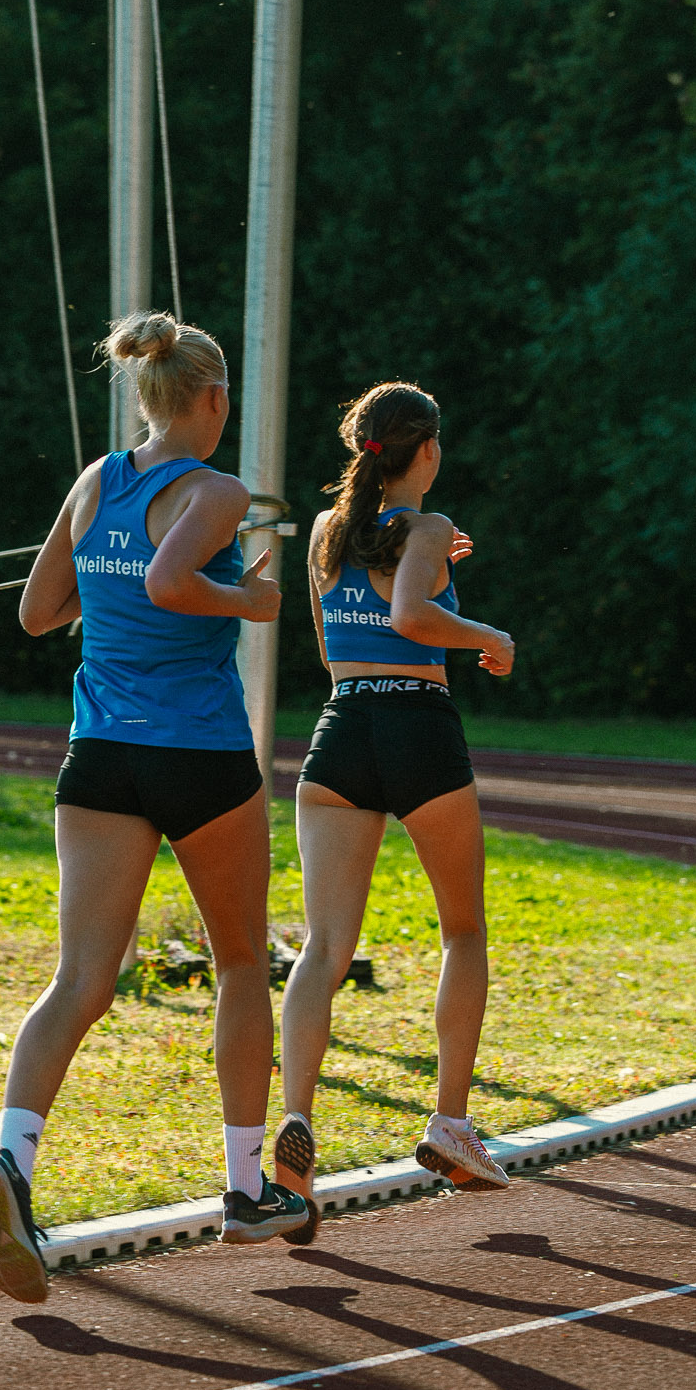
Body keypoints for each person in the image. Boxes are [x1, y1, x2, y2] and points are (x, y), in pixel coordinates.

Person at [0, 312, 311, 1304]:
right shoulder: (217, 490)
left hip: (101, 758)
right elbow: (169, 580)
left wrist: (109, 590)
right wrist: (246, 601)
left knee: (80, 979)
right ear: (213, 398)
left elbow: (38, 611)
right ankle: (245, 1189)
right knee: (239, 961)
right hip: (198, 754)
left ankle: (12, 1164)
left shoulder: (95, 480)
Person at [272, 380, 517, 1217]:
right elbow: (410, 616)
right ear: (428, 449)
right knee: (462, 930)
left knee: (322, 948)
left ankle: (295, 1120)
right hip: (417, 728)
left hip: (341, 729)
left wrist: (430, 574)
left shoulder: (325, 531)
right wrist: (485, 634)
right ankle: (450, 1124)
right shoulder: (429, 527)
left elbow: (336, 641)